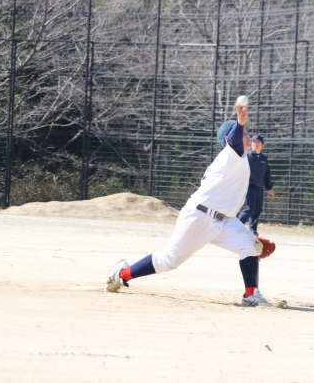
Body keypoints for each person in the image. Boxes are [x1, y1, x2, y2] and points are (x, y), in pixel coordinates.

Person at [105, 102, 273, 306]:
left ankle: (251, 295)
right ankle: (122, 273)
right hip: (200, 216)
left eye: (247, 132)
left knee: (251, 246)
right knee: (169, 260)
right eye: (244, 133)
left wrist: (240, 125)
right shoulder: (231, 154)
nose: (247, 135)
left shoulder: (241, 157)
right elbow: (235, 139)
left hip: (224, 220)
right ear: (229, 140)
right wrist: (239, 122)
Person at [237, 134, 274, 235]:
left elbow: (267, 175)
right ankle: (235, 226)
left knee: (257, 210)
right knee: (250, 209)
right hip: (249, 187)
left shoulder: (263, 158)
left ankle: (253, 232)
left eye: (257, 142)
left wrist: (269, 188)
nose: (255, 144)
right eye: (253, 142)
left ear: (263, 145)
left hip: (259, 188)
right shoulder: (247, 156)